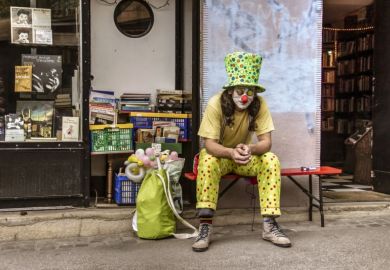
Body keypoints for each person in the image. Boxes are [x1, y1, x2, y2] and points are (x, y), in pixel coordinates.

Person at [192, 51, 291, 252]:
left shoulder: (259, 104)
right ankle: (205, 226)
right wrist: (229, 152)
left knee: (270, 159)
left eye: (249, 91)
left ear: (255, 92)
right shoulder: (215, 104)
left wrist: (251, 148)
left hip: (245, 158)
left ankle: (269, 226)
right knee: (207, 159)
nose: (244, 97)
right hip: (221, 157)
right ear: (230, 91)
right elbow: (209, 144)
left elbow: (266, 143)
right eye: (239, 91)